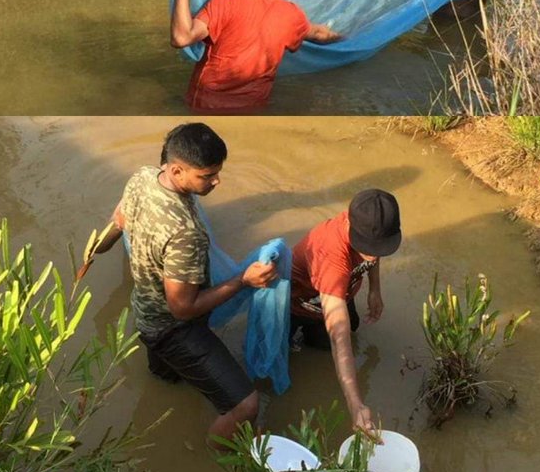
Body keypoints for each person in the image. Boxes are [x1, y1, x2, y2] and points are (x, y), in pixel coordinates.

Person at [90, 123, 277, 441]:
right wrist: (243, 280)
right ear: (177, 170)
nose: (217, 181)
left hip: (145, 310)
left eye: (218, 172)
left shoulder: (143, 177)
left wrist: (93, 251)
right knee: (246, 406)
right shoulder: (184, 234)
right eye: (207, 176)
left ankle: (161, 410)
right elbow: (182, 309)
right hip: (173, 330)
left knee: (166, 378)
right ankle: (215, 463)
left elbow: (118, 221)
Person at [171, 0, 340, 113]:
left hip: (204, 106)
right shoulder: (291, 15)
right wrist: (346, 38)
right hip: (253, 111)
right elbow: (318, 34)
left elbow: (181, 38)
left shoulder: (225, 1)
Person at [290, 189, 401, 435]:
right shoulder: (330, 258)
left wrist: (375, 289)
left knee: (345, 332)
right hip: (297, 304)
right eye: (366, 247)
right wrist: (355, 404)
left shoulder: (366, 221)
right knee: (288, 350)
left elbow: (374, 254)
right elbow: (339, 336)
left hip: (339, 293)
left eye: (379, 247)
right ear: (349, 224)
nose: (372, 253)